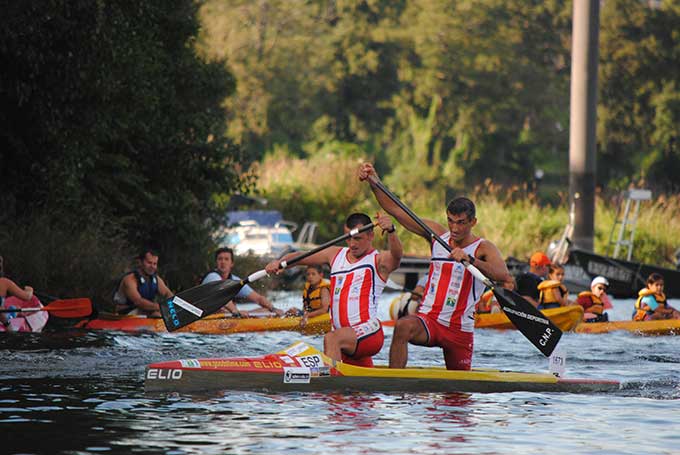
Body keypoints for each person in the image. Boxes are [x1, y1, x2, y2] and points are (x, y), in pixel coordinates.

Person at [358, 163, 513, 371]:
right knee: (403, 326)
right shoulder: (437, 236)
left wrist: (470, 260)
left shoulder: (483, 248)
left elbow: (503, 275)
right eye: (450, 221)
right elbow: (396, 209)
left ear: (473, 222)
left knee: (457, 399)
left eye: (460, 223)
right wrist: (374, 181)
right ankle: (395, 384)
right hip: (429, 321)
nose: (454, 228)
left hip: (460, 331)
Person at [266, 212, 402, 367]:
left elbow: (397, 256)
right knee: (358, 390)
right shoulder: (335, 254)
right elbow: (300, 257)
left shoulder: (379, 260)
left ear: (371, 236)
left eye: (357, 238)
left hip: (369, 334)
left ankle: (331, 389)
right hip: (346, 341)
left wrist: (391, 231)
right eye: (348, 238)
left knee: (331, 338)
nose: (352, 244)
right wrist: (279, 262)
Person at [201, 247, 283, 317]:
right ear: (216, 262)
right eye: (220, 259)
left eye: (226, 259)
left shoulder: (235, 280)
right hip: (205, 315)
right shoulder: (212, 277)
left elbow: (258, 299)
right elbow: (221, 297)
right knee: (223, 310)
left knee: (265, 310)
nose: (223, 262)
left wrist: (273, 309)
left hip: (226, 315)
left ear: (232, 263)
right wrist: (235, 311)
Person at [113, 249, 173, 318]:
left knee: (158, 314)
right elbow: (138, 302)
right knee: (156, 314)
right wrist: (161, 307)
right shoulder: (130, 279)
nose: (152, 266)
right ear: (140, 262)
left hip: (146, 311)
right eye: (149, 263)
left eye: (154, 264)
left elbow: (168, 293)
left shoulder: (156, 279)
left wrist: (172, 305)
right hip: (125, 314)